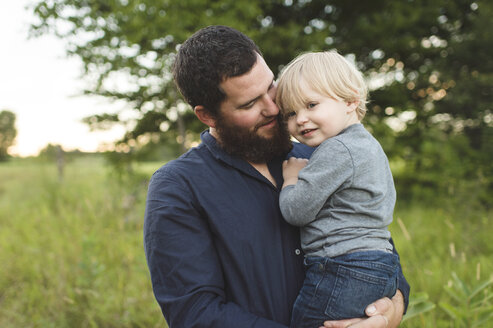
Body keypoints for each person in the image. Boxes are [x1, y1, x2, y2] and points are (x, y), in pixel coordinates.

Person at [144, 25, 410, 328]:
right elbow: (193, 312)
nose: (273, 108)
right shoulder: (179, 186)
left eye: (271, 86)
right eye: (248, 104)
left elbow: (375, 243)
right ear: (207, 116)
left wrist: (390, 312)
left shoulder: (318, 155)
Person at [276, 50, 401, 327]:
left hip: (344, 266)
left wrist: (292, 178)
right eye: (291, 113)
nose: (301, 119)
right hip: (379, 263)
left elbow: (296, 211)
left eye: (311, 104)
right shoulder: (369, 146)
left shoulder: (337, 148)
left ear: (350, 100)